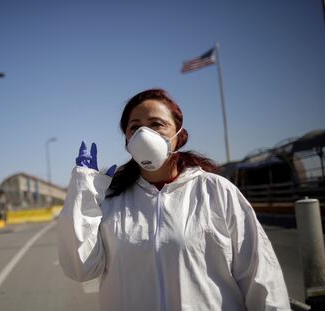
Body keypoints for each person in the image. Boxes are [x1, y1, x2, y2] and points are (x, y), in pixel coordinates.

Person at [57, 89, 290, 311]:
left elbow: (262, 278)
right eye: (135, 127)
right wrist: (84, 192)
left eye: (157, 124)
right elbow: (81, 269)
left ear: (179, 136)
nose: (144, 134)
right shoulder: (112, 200)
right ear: (127, 140)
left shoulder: (216, 191)